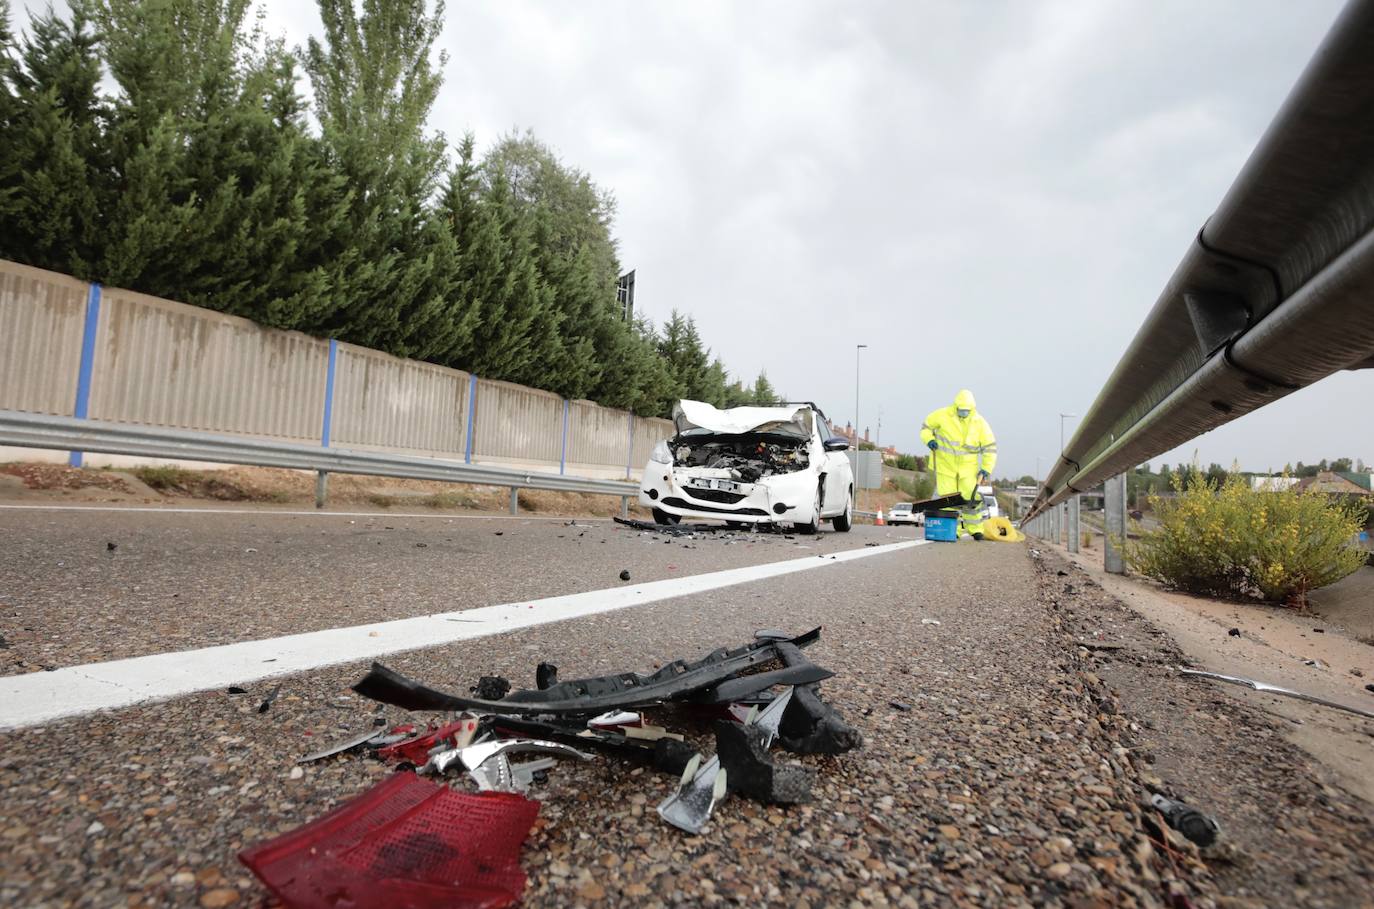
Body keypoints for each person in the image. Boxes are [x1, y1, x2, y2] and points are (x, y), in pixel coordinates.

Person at [920, 389, 997, 540]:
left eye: (966, 410)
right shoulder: (942, 415)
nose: (963, 412)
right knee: (949, 500)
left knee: (971, 499)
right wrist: (929, 440)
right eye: (961, 410)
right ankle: (952, 530)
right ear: (956, 406)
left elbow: (990, 447)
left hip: (968, 470)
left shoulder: (979, 423)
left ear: (972, 409)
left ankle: (975, 529)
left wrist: (987, 468)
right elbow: (925, 428)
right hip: (945, 467)